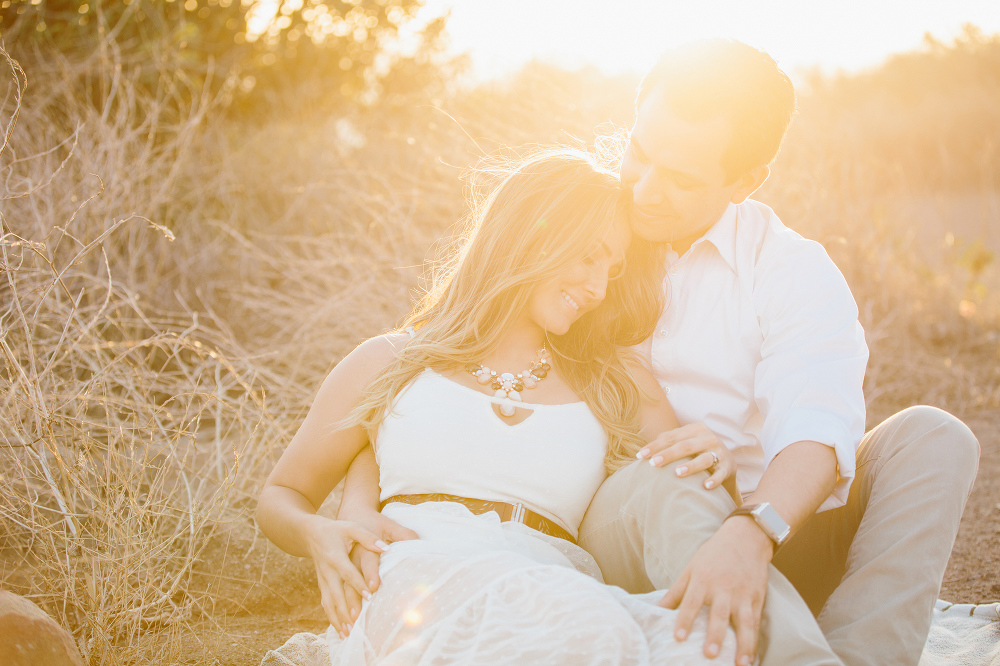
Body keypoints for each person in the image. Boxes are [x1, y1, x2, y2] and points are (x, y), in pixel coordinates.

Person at [338, 40, 981, 666]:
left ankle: (857, 654)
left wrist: (752, 531)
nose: (644, 189)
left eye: (678, 178)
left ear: (746, 181)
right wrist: (358, 500)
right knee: (671, 480)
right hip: (629, 525)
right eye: (638, 153)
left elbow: (816, 429)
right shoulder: (590, 239)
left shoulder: (791, 269)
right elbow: (438, 369)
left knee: (935, 436)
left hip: (771, 533)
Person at [258, 149, 753, 664]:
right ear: (530, 233)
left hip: (557, 591)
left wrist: (716, 461)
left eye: (613, 268)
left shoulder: (616, 380)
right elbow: (282, 494)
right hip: (418, 579)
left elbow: (682, 493)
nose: (598, 287)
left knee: (689, 647)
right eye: (589, 255)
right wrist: (319, 532)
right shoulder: (390, 359)